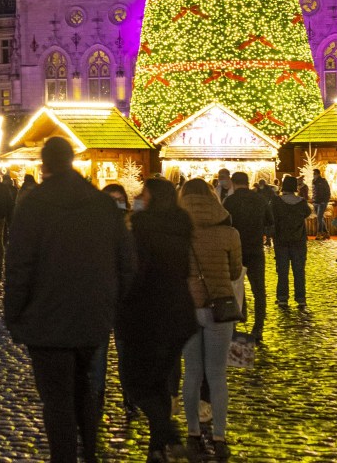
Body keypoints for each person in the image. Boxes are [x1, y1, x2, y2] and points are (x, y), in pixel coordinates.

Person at [5, 138, 134, 463]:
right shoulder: (102, 204)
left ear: (45, 165)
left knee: (57, 400)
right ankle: (89, 452)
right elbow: (126, 263)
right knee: (84, 390)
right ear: (73, 161)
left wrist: (14, 315)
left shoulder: (33, 205)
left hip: (45, 319)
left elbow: (19, 266)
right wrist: (110, 304)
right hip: (91, 316)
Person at [118, 178, 196, 462]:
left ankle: (170, 436)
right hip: (179, 316)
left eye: (143, 193)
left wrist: (122, 302)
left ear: (153, 198)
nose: (139, 197)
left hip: (148, 317)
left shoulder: (143, 228)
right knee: (160, 383)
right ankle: (156, 447)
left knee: (135, 383)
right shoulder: (181, 225)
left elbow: (137, 274)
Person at [180, 178, 242, 462]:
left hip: (188, 309)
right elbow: (233, 272)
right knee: (217, 375)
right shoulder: (229, 232)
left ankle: (193, 433)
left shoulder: (177, 232)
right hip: (220, 309)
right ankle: (219, 436)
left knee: (192, 373)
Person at [221, 176, 268, 342]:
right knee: (259, 290)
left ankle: (234, 323)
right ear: (248, 183)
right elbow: (269, 222)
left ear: (233, 183)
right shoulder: (260, 200)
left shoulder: (229, 201)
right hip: (255, 249)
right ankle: (258, 327)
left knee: (234, 287)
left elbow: (223, 224)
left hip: (235, 250)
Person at [271, 177, 311, 309]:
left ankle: (282, 298)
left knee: (282, 271)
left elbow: (271, 217)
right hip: (298, 240)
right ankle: (301, 298)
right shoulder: (302, 202)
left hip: (281, 240)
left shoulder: (276, 202)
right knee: (299, 270)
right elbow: (307, 213)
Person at [309, 168, 332, 240]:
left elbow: (327, 191)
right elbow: (314, 191)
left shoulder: (323, 181)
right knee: (320, 217)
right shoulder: (314, 181)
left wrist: (325, 200)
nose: (313, 175)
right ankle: (326, 233)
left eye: (315, 174)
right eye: (313, 174)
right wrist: (313, 199)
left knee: (319, 217)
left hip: (322, 202)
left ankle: (319, 233)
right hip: (316, 201)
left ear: (318, 174)